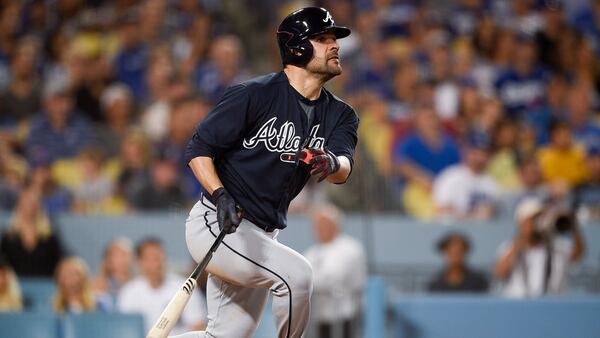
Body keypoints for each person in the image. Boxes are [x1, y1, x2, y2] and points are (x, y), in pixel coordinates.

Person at [178, 7, 358, 338]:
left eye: (335, 38)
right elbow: (198, 150)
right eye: (323, 38)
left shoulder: (341, 114)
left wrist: (333, 162)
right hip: (217, 224)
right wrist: (219, 195)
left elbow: (343, 167)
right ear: (298, 48)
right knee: (298, 276)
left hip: (262, 235)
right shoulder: (254, 94)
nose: (335, 45)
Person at [495, 197, 585, 298]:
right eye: (534, 219)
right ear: (521, 222)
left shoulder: (557, 247)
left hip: (554, 306)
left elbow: (578, 254)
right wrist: (523, 237)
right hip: (520, 307)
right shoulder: (510, 247)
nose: (539, 222)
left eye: (542, 217)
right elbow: (500, 273)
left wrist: (573, 227)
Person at [118, 238, 206, 335]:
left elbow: (198, 328)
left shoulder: (186, 287)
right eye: (153, 258)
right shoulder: (129, 292)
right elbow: (125, 331)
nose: (158, 262)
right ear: (140, 262)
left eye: (160, 257)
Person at [303, 205, 366, 338]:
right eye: (317, 225)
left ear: (335, 225)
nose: (319, 229)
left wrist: (308, 282)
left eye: (323, 224)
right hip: (318, 316)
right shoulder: (312, 252)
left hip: (343, 315)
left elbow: (331, 278)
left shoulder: (350, 248)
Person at [432, 133, 499, 221]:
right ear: (465, 150)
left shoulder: (492, 183)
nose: (479, 157)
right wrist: (474, 215)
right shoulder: (450, 177)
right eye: (475, 152)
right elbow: (442, 211)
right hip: (454, 231)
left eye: (483, 152)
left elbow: (495, 214)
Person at [0, 188, 64, 277]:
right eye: (25, 203)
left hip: (45, 285)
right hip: (15, 286)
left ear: (38, 207)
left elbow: (58, 263)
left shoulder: (50, 237)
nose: (29, 207)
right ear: (18, 206)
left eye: (32, 204)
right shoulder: (8, 237)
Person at [93, 237, 134, 307]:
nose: (122, 260)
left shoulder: (139, 284)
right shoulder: (98, 286)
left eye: (125, 255)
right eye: (118, 255)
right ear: (108, 260)